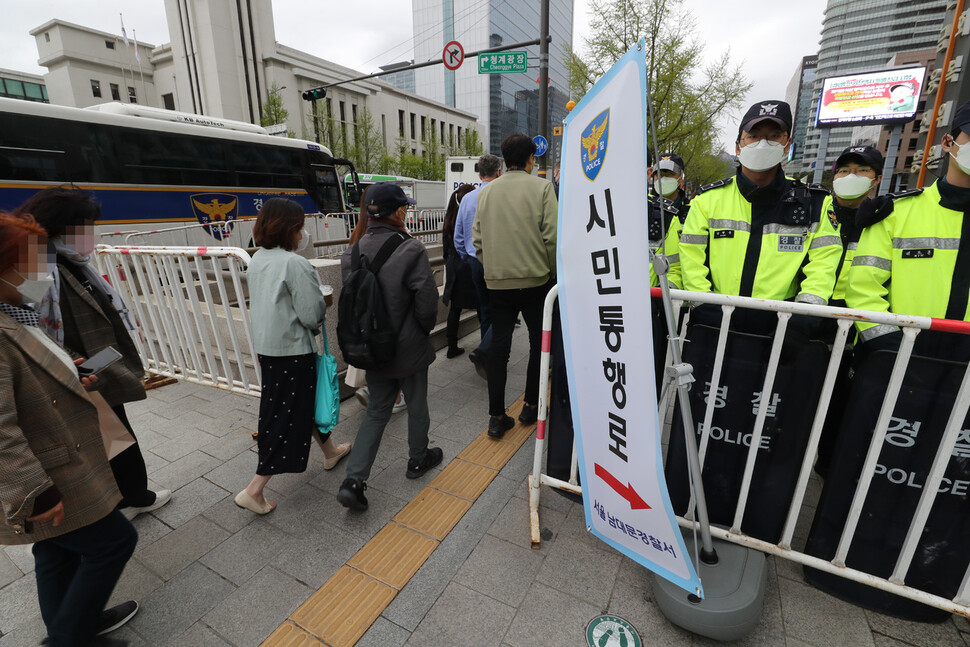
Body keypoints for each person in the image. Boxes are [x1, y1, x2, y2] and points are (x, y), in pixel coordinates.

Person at [0, 211, 138, 647]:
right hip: (48, 473)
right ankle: (66, 638)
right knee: (115, 541)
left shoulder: (16, 313)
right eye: (29, 261)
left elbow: (33, 370)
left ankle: (76, 623)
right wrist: (32, 491)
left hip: (58, 456)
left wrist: (69, 371)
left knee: (54, 548)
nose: (41, 271)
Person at [15, 187, 172, 520]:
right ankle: (128, 499)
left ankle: (127, 497)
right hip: (79, 369)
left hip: (98, 363)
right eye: (84, 226)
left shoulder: (69, 261)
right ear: (60, 226)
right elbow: (28, 322)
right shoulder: (39, 266)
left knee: (113, 432)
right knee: (110, 437)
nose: (90, 234)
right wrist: (68, 362)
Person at [680, 100, 842, 331]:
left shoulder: (814, 203)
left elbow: (824, 264)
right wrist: (703, 304)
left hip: (782, 327)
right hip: (714, 320)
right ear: (738, 146)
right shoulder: (707, 199)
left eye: (774, 136)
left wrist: (805, 313)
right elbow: (691, 258)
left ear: (787, 144)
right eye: (754, 136)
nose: (762, 144)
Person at [237, 198, 351, 514]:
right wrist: (322, 306)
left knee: (296, 405)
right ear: (289, 229)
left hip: (269, 348)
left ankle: (329, 451)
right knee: (284, 417)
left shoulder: (257, 259)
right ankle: (255, 488)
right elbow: (311, 312)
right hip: (293, 350)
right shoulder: (295, 263)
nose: (303, 234)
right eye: (300, 227)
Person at [337, 183, 443, 510]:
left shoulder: (352, 252)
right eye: (406, 207)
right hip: (407, 346)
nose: (407, 211)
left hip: (373, 348)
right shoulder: (410, 248)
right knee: (417, 403)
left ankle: (354, 480)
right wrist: (420, 332)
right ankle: (417, 458)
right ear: (398, 212)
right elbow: (427, 302)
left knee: (377, 410)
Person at [847, 99, 970, 361]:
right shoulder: (896, 211)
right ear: (948, 142)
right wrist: (890, 348)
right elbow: (862, 289)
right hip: (894, 362)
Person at [472, 133, 558, 438]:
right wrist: (551, 272)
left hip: (498, 283)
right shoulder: (543, 187)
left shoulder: (486, 192)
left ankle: (496, 416)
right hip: (536, 280)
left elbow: (477, 241)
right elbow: (552, 237)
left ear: (506, 160)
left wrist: (493, 268)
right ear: (530, 160)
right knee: (539, 343)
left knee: (499, 348)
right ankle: (531, 407)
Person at [347, 187, 406, 414]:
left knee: (370, 350)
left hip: (364, 308)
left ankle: (370, 387)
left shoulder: (358, 234)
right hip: (389, 309)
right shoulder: (400, 237)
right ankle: (396, 397)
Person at [454, 153, 502, 379]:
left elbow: (458, 237)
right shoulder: (501, 195)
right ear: (498, 172)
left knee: (484, 310)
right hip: (498, 262)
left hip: (475, 262)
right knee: (503, 308)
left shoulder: (467, 199)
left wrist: (469, 258)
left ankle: (486, 353)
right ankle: (490, 353)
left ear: (479, 174)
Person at [823, 146, 884, 308]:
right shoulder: (817, 212)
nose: (851, 176)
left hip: (854, 315)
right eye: (843, 171)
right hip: (804, 308)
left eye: (862, 170)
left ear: (877, 179)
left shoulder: (882, 220)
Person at [441, 184, 479, 358]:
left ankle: (451, 346)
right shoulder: (470, 216)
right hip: (470, 266)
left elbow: (445, 249)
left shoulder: (449, 217)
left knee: (455, 309)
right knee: (482, 308)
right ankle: (484, 348)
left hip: (454, 268)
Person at [648, 152, 690, 289]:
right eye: (659, 174)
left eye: (669, 174)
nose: (663, 179)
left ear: (681, 178)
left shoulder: (691, 211)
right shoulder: (642, 205)